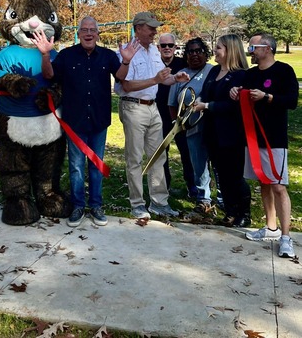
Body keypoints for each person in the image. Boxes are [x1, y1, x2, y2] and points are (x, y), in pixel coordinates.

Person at [33, 16, 140, 228]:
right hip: (75, 122)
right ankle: (78, 206)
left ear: (98, 34)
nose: (89, 33)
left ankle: (96, 205)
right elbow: (49, 74)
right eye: (85, 30)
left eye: (92, 30)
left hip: (99, 121)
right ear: (79, 33)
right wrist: (45, 54)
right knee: (76, 166)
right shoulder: (66, 55)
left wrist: (126, 60)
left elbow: (120, 76)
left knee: (96, 165)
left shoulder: (108, 56)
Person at [114, 12, 189, 220]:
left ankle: (159, 202)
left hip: (153, 108)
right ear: (138, 28)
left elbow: (162, 79)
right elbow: (126, 85)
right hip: (133, 108)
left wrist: (175, 78)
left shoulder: (153, 52)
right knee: (135, 158)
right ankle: (137, 204)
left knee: (158, 156)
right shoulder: (126, 53)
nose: (155, 31)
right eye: (151, 28)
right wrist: (155, 79)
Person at [230, 33, 298, 258]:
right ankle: (271, 228)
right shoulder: (250, 74)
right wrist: (236, 93)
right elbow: (244, 96)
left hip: (274, 139)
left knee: (278, 186)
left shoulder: (284, 71)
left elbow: (291, 102)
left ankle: (286, 237)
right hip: (252, 137)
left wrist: (267, 97)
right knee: (264, 182)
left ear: (267, 48)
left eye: (252, 47)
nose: (250, 51)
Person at [193, 34, 251, 227]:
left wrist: (207, 106)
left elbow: (234, 107)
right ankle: (230, 211)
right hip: (212, 133)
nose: (215, 51)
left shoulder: (241, 75)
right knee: (220, 175)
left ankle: (243, 213)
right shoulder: (214, 71)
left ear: (229, 51)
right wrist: (199, 102)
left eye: (218, 47)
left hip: (231, 135)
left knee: (234, 175)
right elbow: (206, 94)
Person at [168, 37, 216, 212]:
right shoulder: (181, 75)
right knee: (198, 164)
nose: (194, 55)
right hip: (192, 129)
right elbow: (172, 104)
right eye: (190, 51)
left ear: (205, 53)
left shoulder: (214, 71)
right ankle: (203, 199)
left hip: (215, 126)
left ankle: (226, 198)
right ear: (186, 55)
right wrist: (178, 124)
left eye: (198, 51)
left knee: (219, 164)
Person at [155, 33, 196, 198]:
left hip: (180, 116)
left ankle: (192, 186)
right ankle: (165, 186)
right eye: (163, 45)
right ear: (158, 48)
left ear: (175, 47)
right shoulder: (153, 65)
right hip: (158, 115)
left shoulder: (183, 64)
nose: (166, 48)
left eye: (170, 45)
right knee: (161, 153)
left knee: (186, 152)